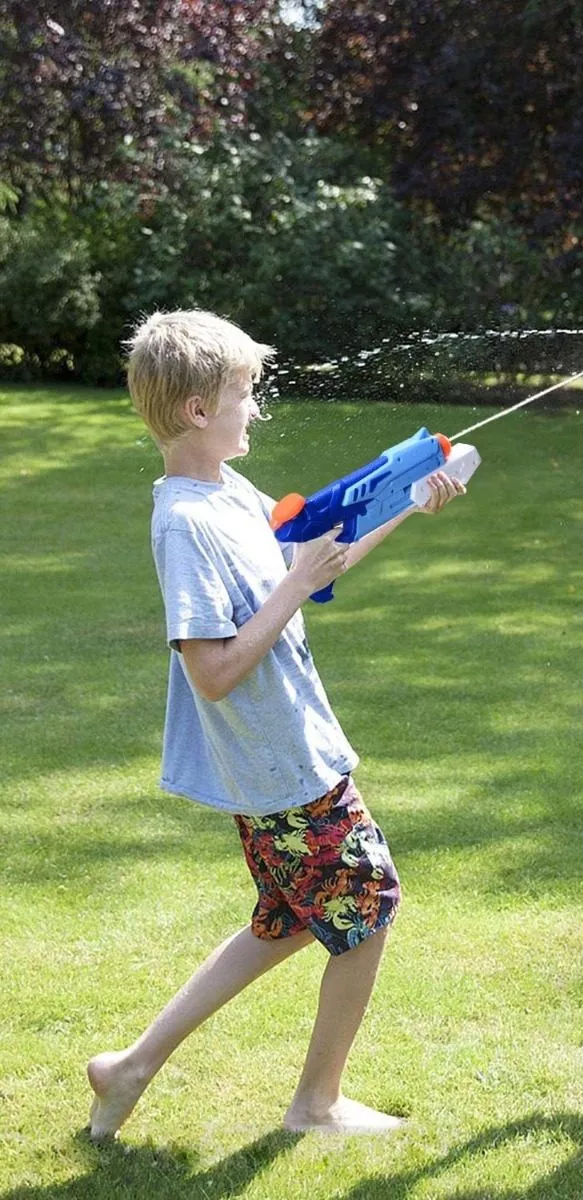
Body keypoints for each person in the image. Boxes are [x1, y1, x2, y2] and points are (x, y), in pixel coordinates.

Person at [87, 310, 465, 1137]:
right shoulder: (184, 524)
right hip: (280, 766)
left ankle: (129, 1067)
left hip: (285, 757)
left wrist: (410, 503)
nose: (254, 410)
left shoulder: (230, 495)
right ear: (196, 410)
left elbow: (318, 560)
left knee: (290, 918)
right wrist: (294, 588)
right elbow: (214, 673)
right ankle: (315, 1106)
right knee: (368, 905)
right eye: (243, 395)